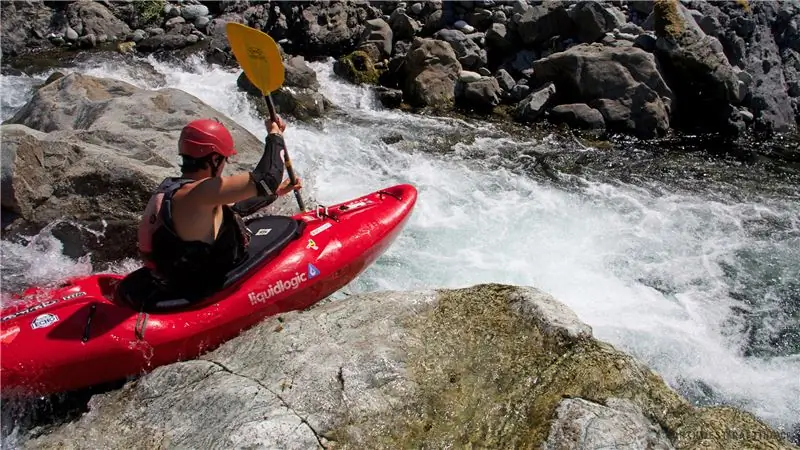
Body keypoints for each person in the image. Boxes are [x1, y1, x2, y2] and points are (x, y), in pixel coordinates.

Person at [136, 115, 302, 298]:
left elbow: (234, 208)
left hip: (174, 279)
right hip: (197, 289)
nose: (224, 165)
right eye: (224, 160)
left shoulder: (174, 189)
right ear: (214, 160)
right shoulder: (200, 193)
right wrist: (275, 135)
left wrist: (277, 192)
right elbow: (266, 179)